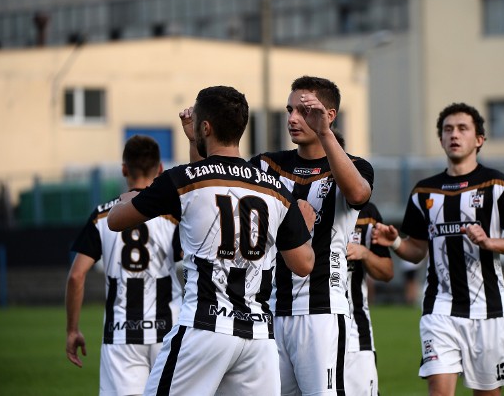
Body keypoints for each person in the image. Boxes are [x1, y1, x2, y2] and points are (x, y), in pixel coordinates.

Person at [107, 86, 315, 395]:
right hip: (258, 338)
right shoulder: (275, 190)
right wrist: (303, 229)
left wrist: (127, 198)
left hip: (204, 327)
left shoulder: (184, 179)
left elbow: (116, 221)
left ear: (205, 127)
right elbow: (303, 264)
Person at [372, 103, 504, 396]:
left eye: (462, 128)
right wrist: (394, 242)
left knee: (487, 393)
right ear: (441, 139)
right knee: (439, 391)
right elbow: (417, 251)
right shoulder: (424, 192)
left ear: (479, 139)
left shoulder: (499, 185)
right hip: (439, 307)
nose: (454, 135)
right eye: (447, 129)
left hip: (488, 309)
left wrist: (489, 242)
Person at [249, 75, 374, 395]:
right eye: (289, 109)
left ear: (329, 115)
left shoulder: (355, 166)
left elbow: (359, 194)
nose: (292, 118)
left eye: (304, 111)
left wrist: (325, 134)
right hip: (270, 310)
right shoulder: (265, 165)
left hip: (322, 314)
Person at [65, 135, 183, 396]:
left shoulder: (102, 215)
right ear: (160, 168)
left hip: (121, 333)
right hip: (168, 330)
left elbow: (76, 276)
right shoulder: (173, 213)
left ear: (124, 169)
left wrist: (72, 330)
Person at [346, 201, 393, 396]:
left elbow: (387, 272)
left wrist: (365, 254)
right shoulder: (303, 200)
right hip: (308, 327)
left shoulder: (367, 213)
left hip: (356, 332)